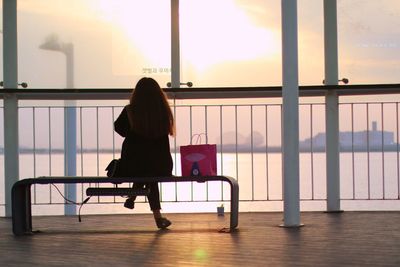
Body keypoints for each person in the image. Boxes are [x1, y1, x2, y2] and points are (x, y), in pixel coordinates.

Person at [114, 77, 174, 229]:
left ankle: (133, 197)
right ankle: (157, 216)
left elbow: (119, 129)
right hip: (162, 166)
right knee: (150, 171)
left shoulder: (130, 110)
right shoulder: (163, 111)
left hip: (132, 166)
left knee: (143, 164)